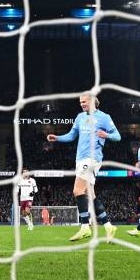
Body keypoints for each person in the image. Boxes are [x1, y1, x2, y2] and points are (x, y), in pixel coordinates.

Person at [47, 93, 121, 242]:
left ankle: (85, 227)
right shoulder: (80, 117)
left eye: (84, 102)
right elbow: (71, 135)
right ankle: (108, 226)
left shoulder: (104, 117)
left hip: (92, 158)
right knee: (90, 195)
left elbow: (117, 136)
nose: (82, 104)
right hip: (80, 159)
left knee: (77, 190)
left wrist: (107, 135)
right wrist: (58, 138)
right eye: (80, 102)